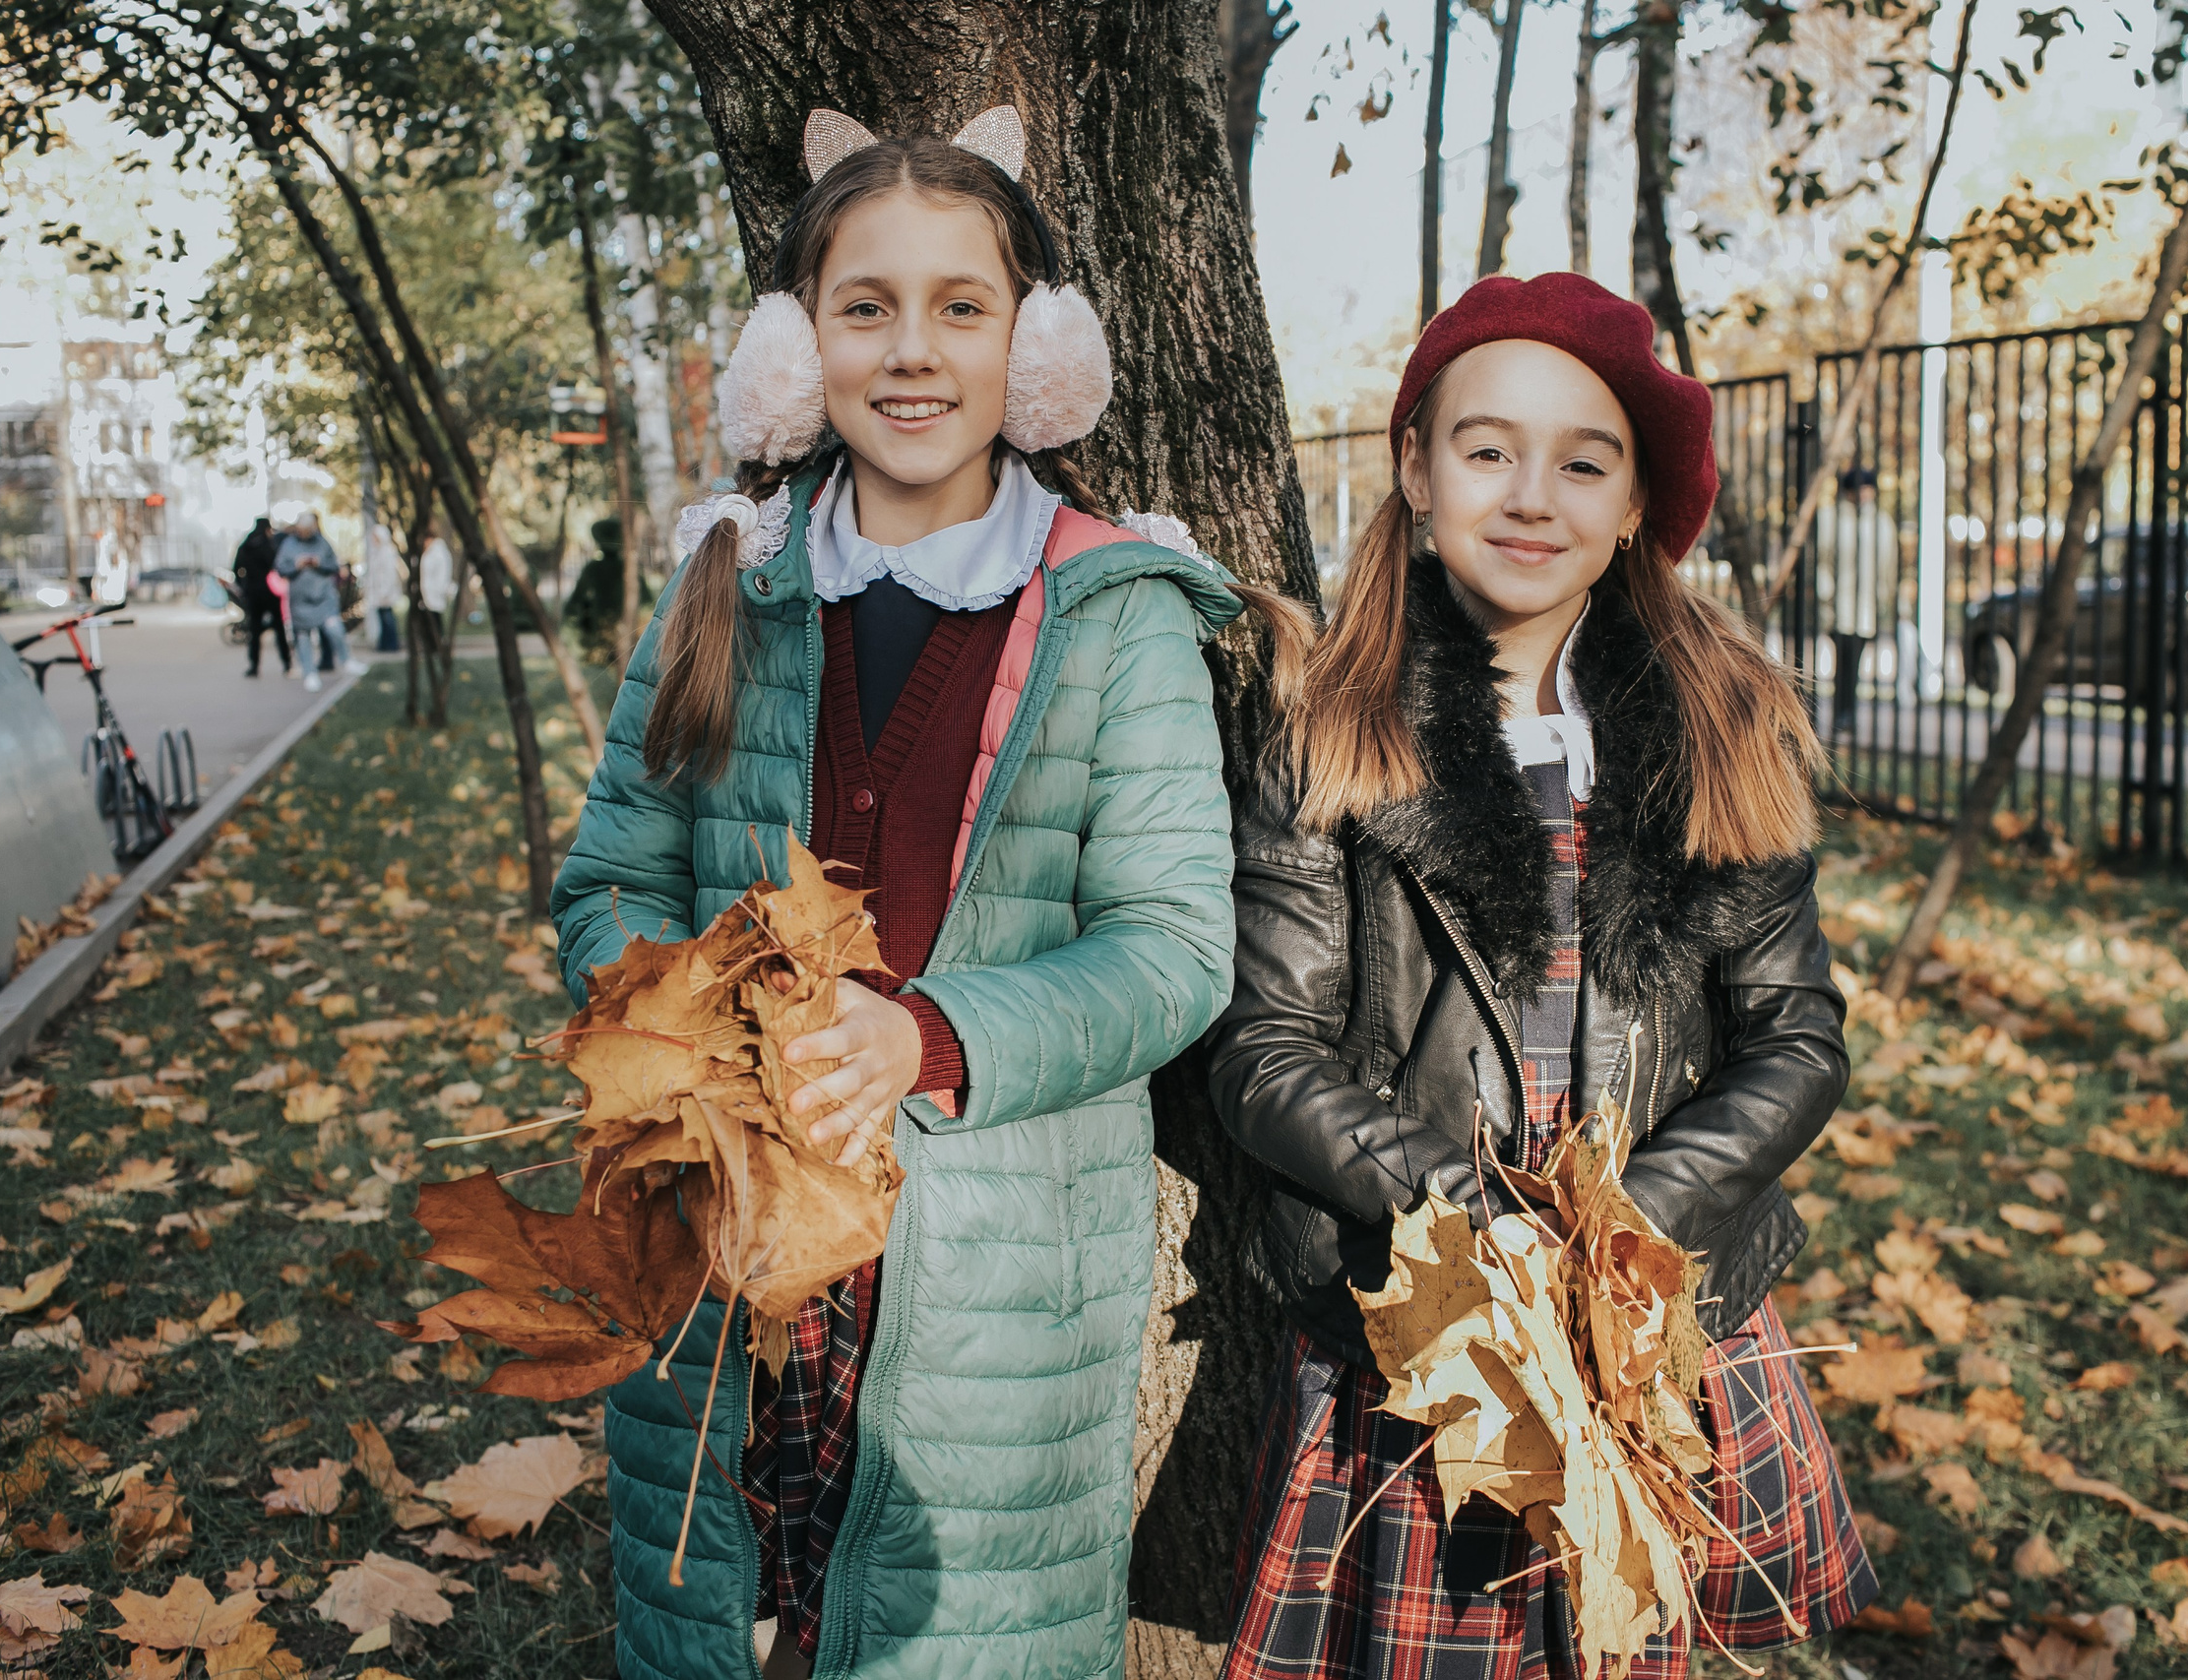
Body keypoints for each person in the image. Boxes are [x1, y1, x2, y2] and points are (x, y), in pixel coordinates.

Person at [547, 107, 1303, 1680]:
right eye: (862, 305)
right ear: (795, 338)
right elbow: (611, 875)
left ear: (1033, 345)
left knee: (947, 1633)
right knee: (731, 1601)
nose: (912, 352)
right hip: (727, 1213)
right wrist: (685, 1021)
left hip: (993, 1273)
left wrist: (927, 1037)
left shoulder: (1116, 609)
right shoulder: (726, 584)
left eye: (962, 306)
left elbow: (1172, 949)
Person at [1207, 272, 1875, 1680]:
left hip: (1648, 1300)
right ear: (1415, 467)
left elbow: (1798, 1037)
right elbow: (1266, 1050)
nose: (1531, 494)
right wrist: (1475, 1231)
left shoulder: (1719, 724)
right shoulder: (1337, 735)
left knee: (1630, 1638)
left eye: (1585, 461)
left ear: (1636, 504)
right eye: (1487, 447)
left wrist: (1626, 1225)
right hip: (1429, 1318)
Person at [1818, 465, 1900, 737]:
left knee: (1855, 662)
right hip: (1838, 605)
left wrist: (1886, 598)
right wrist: (1824, 593)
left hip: (1867, 607)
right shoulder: (1830, 518)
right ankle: (1842, 713)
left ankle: (1847, 713)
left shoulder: (1882, 523)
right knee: (1843, 661)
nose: (1865, 494)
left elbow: (1889, 566)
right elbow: (1822, 561)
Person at [274, 512, 366, 691]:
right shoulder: (288, 545)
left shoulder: (322, 543)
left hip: (323, 598)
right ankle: (309, 673)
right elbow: (280, 569)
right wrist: (296, 565)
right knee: (303, 636)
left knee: (334, 628)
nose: (305, 533)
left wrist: (318, 563)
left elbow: (334, 566)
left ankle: (346, 660)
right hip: (300, 601)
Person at [232, 516, 290, 675]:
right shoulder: (269, 544)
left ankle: (254, 666)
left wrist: (244, 585)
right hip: (271, 593)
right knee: (279, 628)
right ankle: (286, 663)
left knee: (254, 630)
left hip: (252, 593)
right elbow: (278, 566)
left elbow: (236, 567)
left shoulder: (245, 544)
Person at [410, 517, 454, 659]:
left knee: (435, 621)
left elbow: (442, 574)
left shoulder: (438, 552)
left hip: (434, 593)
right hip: (427, 593)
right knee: (429, 621)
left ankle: (437, 646)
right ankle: (432, 645)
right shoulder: (429, 552)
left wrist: (437, 590)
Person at [363, 519, 404, 652]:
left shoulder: (387, 552)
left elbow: (389, 575)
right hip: (378, 593)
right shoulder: (377, 552)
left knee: (388, 619)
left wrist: (384, 592)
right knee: (383, 619)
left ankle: (392, 644)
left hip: (385, 593)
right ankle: (385, 644)